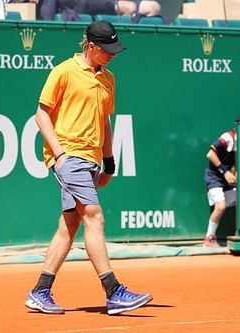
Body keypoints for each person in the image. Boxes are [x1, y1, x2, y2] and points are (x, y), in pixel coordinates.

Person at [25, 21, 152, 315]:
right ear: (91, 47)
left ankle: (39, 291)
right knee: (94, 217)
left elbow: (105, 121)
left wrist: (109, 162)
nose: (112, 55)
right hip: (70, 156)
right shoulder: (63, 71)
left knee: (70, 225)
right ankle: (114, 291)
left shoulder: (109, 79)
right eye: (107, 50)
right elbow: (41, 115)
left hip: (91, 159)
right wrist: (60, 155)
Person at [202, 112, 240, 248]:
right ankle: (209, 239)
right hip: (215, 177)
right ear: (237, 127)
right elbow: (210, 154)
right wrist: (225, 171)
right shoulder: (228, 138)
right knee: (220, 207)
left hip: (230, 179)